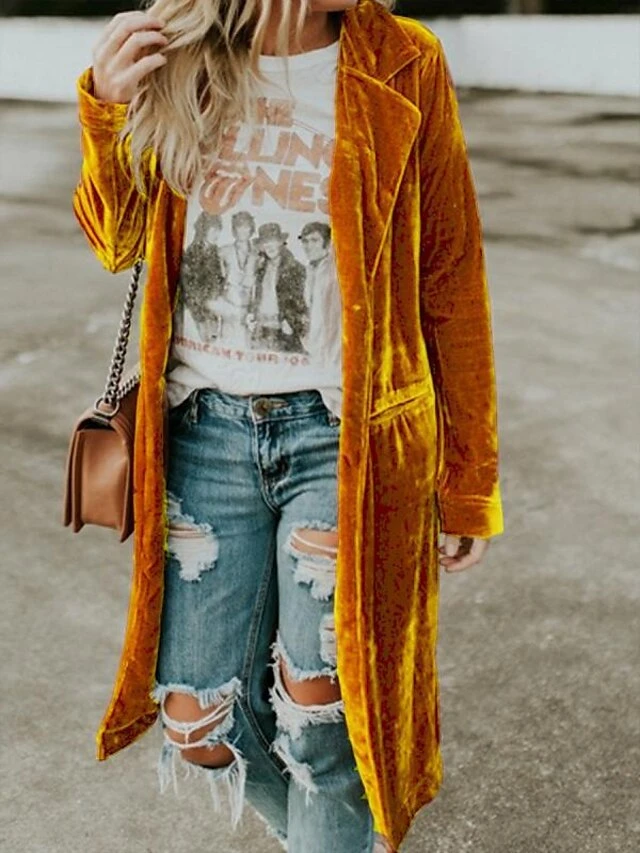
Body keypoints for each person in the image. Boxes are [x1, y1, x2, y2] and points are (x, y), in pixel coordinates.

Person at [72, 1, 505, 852]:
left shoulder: (402, 60)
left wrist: (470, 480)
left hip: (343, 438)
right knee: (198, 722)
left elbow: (451, 276)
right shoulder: (173, 53)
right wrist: (107, 110)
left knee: (322, 717)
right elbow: (116, 241)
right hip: (203, 434)